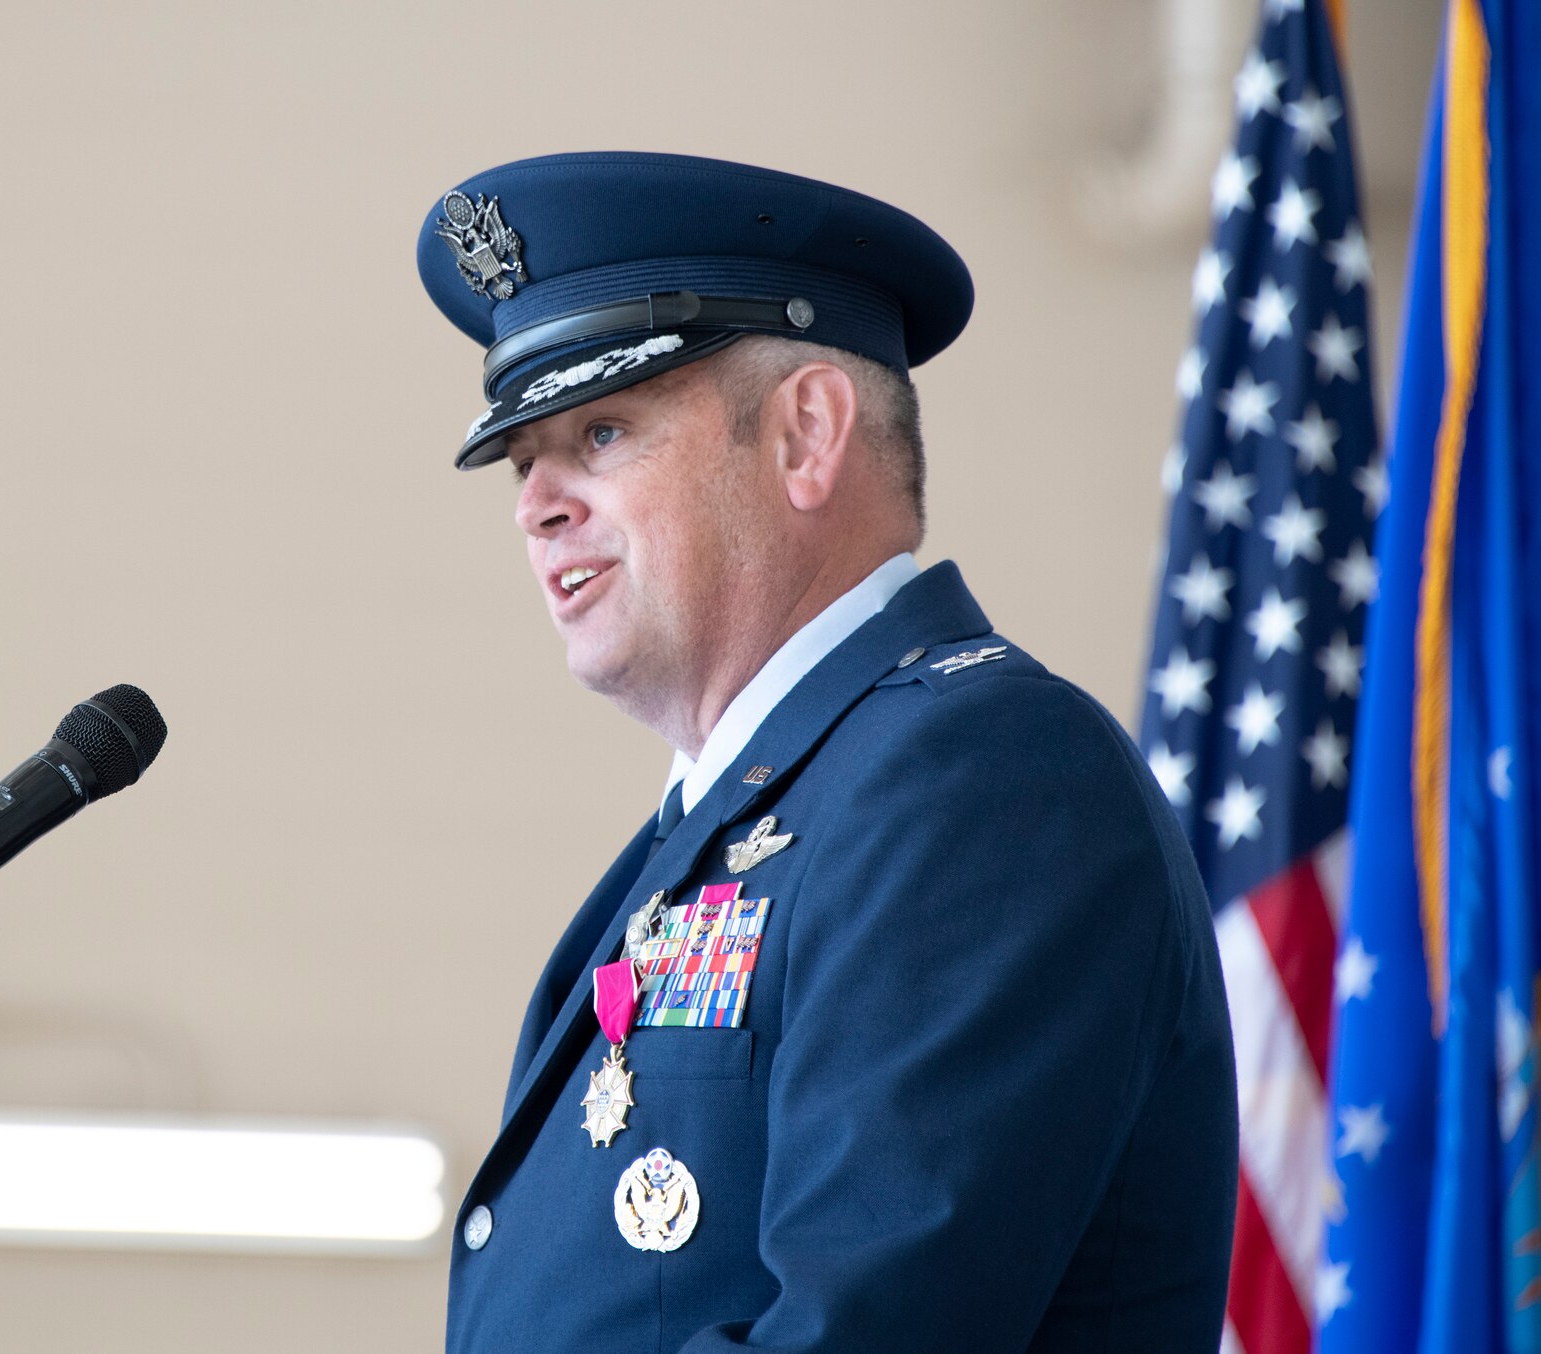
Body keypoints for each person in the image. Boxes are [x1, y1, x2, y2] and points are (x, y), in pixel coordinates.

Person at [418, 151, 1238, 1353]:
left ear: (806, 433)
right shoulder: (750, 820)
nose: (535, 502)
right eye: (522, 458)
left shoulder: (982, 775)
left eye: (599, 430)